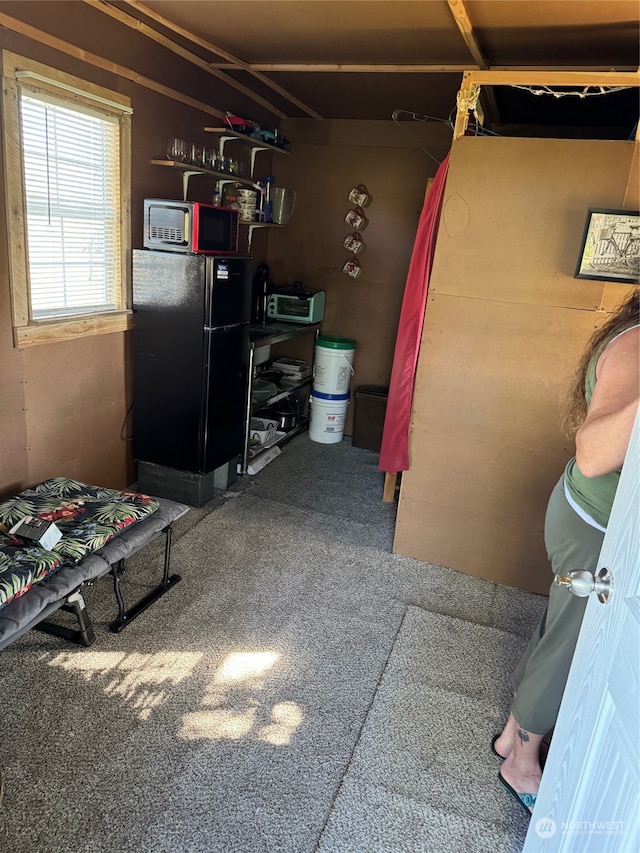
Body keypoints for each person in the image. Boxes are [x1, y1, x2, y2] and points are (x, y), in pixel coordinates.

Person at [492, 287, 640, 816]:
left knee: (560, 629)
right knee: (570, 645)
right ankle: (522, 764)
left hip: (595, 518)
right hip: (595, 525)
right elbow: (597, 452)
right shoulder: (637, 343)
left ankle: (513, 736)